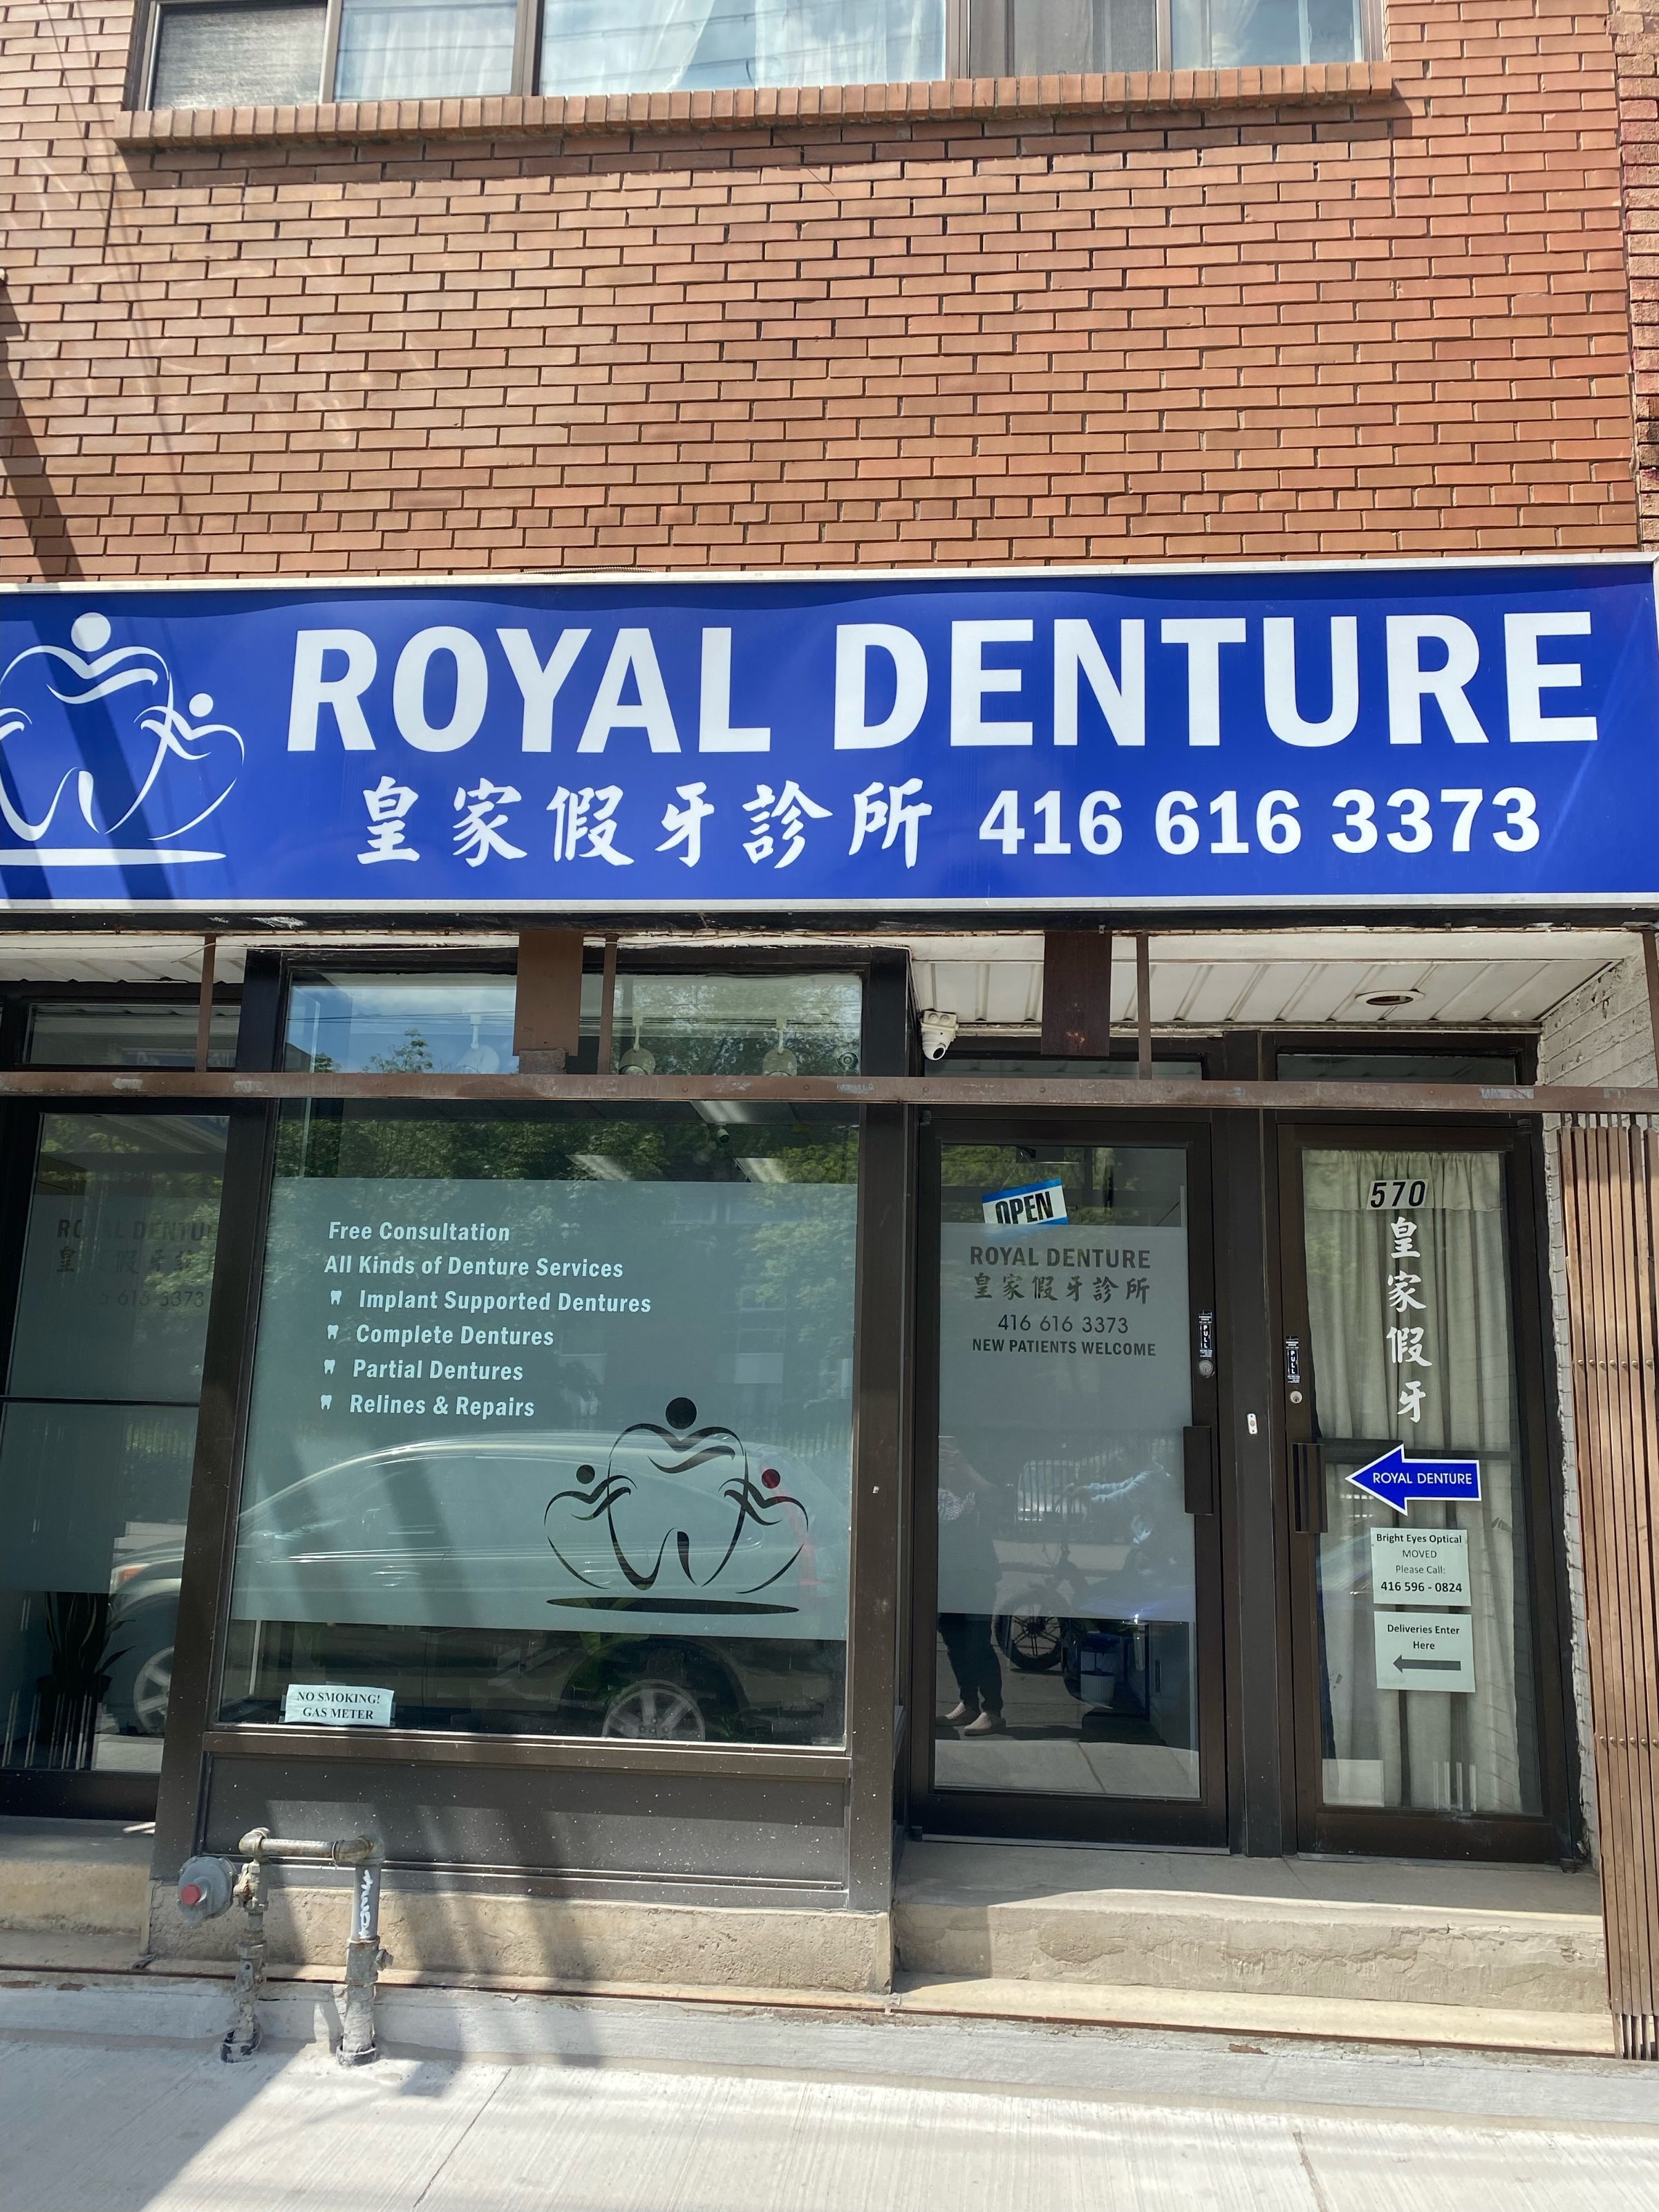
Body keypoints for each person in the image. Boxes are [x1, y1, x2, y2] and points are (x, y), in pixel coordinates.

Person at [936, 1433, 1005, 1734]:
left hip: (976, 1578)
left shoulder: (976, 1493)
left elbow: (995, 1499)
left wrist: (963, 1466)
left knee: (978, 1644)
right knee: (954, 1643)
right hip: (946, 1579)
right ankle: (969, 1703)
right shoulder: (937, 1492)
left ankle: (993, 1710)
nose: (947, 1465)